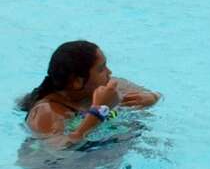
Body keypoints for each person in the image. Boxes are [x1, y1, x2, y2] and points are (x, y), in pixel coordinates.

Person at [19, 41, 159, 148]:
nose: (109, 72)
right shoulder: (47, 112)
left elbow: (156, 94)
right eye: (101, 69)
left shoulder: (107, 86)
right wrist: (99, 111)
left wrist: (151, 97)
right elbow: (60, 149)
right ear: (77, 82)